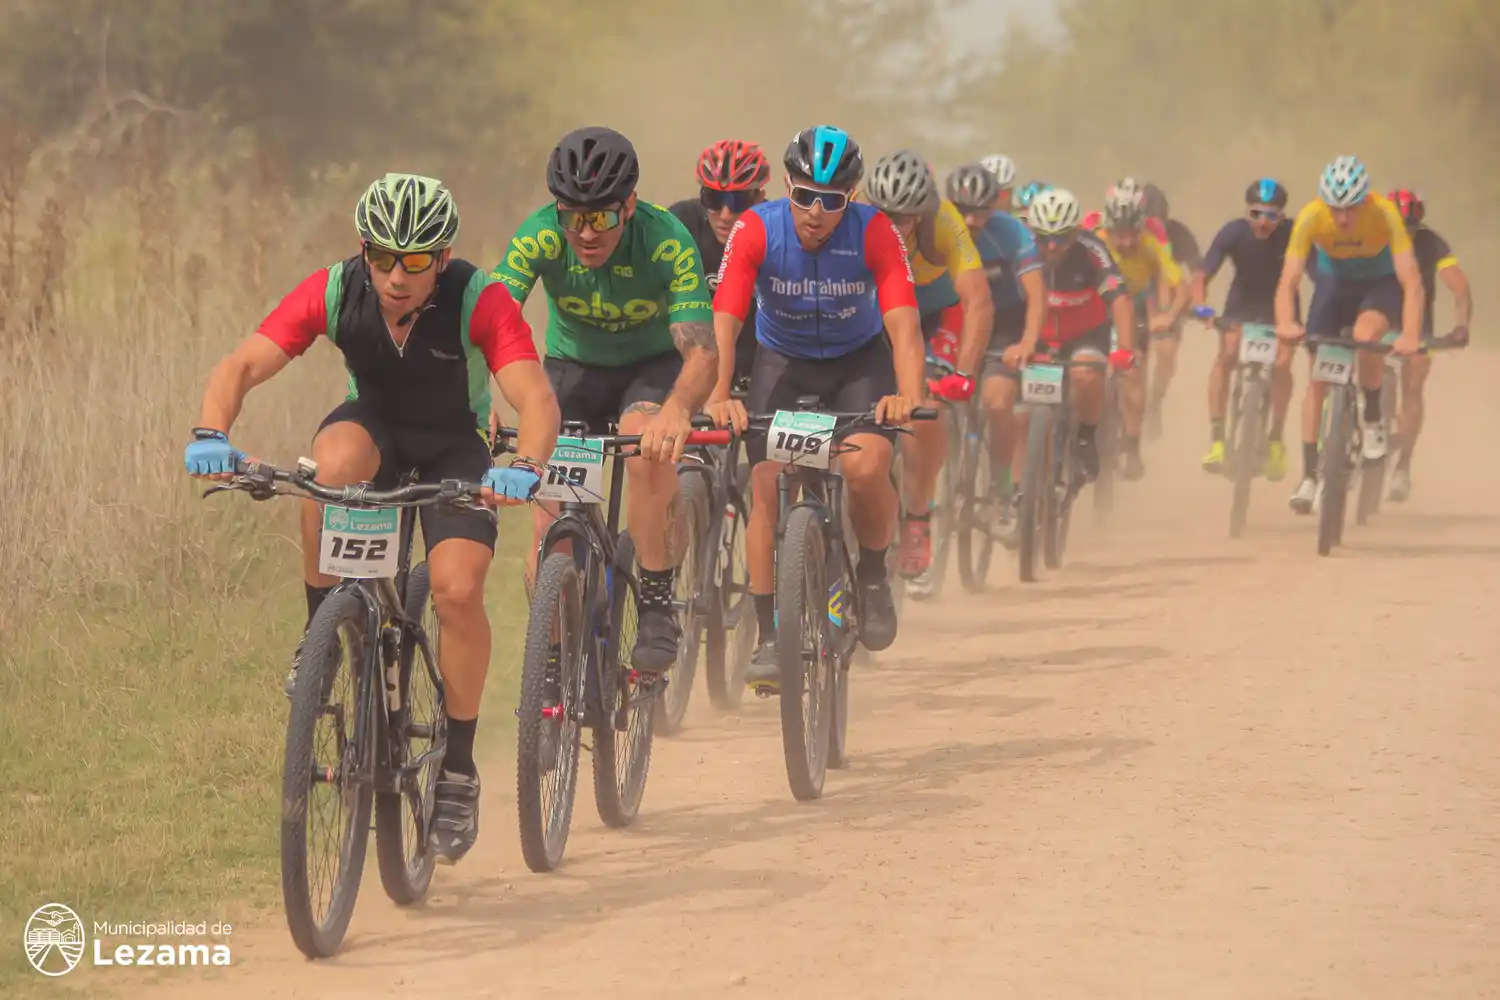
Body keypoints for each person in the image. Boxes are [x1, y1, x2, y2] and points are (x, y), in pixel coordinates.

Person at [185, 173, 561, 864]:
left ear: (442, 259)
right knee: (324, 471)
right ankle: (321, 637)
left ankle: (457, 770)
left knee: (455, 588)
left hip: (454, 444)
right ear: (364, 249)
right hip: (376, 434)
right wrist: (212, 432)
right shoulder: (335, 289)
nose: (396, 275)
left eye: (415, 261)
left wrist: (527, 464)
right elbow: (241, 364)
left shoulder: (480, 298)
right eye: (382, 256)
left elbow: (535, 398)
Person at [490, 126, 717, 667]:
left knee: (646, 447)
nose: (586, 234)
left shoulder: (666, 239)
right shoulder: (541, 235)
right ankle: (549, 665)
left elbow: (703, 354)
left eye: (602, 217)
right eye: (573, 217)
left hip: (650, 368)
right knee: (548, 530)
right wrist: (482, 401)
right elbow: (490, 322)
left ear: (630, 205)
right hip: (573, 370)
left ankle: (658, 600)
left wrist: (679, 409)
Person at [706, 124, 924, 686]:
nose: (816, 213)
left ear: (850, 197)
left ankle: (873, 575)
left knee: (866, 466)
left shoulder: (875, 231)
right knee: (765, 485)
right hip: (784, 362)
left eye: (831, 201)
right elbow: (728, 313)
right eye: (804, 196)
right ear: (787, 188)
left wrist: (908, 391)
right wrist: (720, 390)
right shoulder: (757, 227)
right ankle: (769, 634)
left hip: (858, 362)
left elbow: (902, 318)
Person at [861, 150, 994, 599]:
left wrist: (964, 372)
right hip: (877, 315)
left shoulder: (945, 223)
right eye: (886, 217)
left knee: (925, 410)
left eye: (906, 219)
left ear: (923, 212)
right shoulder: (854, 214)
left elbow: (977, 301)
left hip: (935, 316)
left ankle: (917, 517)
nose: (895, 227)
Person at [1275, 155, 1425, 514]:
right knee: (1317, 378)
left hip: (1378, 283)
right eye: (1336, 208)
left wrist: (1411, 335)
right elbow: (1289, 280)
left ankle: (1372, 417)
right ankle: (1310, 475)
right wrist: (1285, 321)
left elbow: (1412, 281)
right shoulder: (1311, 216)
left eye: (1351, 208)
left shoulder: (1385, 213)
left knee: (1365, 335)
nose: (1343, 218)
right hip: (1335, 284)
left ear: (1365, 201)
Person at [946, 162, 1045, 537]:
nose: (972, 221)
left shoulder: (1011, 232)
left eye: (982, 212)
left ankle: (1002, 483)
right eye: (963, 211)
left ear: (996, 206)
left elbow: (1036, 296)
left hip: (1004, 326)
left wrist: (1027, 342)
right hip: (955, 322)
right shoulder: (935, 227)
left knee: (998, 401)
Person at [1028, 188, 1136, 480]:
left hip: (1086, 332)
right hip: (1037, 334)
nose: (1051, 247)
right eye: (1043, 238)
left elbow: (1120, 299)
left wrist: (1125, 349)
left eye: (1061, 238)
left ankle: (1087, 437)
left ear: (1076, 233)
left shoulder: (1093, 250)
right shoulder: (1020, 248)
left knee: (1085, 374)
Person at [1195, 178, 1297, 480]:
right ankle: (1217, 439)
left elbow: (1320, 273)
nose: (1263, 223)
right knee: (1226, 354)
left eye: (1271, 216)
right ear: (1246, 213)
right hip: (1241, 304)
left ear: (1282, 217)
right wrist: (1202, 307)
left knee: (1283, 364)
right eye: (1256, 214)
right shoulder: (1233, 232)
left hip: (1282, 307)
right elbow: (1203, 273)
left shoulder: (1294, 235)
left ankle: (1276, 440)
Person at [1091, 181, 1188, 480]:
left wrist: (1168, 317)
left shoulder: (1150, 244)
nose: (1125, 242)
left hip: (1134, 314)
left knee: (1134, 378)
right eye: (1117, 234)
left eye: (1130, 233)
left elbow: (1180, 287)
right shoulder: (1093, 241)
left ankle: (1132, 448)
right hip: (1095, 312)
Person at [1384, 188, 1472, 502]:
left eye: (1410, 229)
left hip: (1419, 327)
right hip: (1379, 318)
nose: (1405, 236)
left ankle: (1403, 465)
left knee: (1413, 386)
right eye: (1399, 228)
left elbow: (1458, 286)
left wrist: (1461, 325)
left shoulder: (1431, 242)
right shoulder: (1373, 237)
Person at [670, 140, 771, 390]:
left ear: (760, 198)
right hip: (690, 361)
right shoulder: (681, 224)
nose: (725, 214)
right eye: (714, 199)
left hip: (759, 364)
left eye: (739, 201)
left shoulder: (777, 230)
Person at [1140, 182, 1205, 437]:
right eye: (1147, 222)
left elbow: (1197, 272)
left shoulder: (1178, 233)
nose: (1153, 227)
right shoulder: (1130, 235)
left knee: (1166, 353)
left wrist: (1198, 303)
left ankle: (1155, 400)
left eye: (1157, 220)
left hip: (1171, 299)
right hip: (1139, 292)